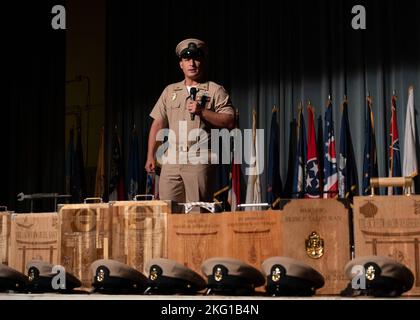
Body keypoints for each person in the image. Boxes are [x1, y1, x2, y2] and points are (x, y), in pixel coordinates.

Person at [145, 38, 235, 205]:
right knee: (168, 210)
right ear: (181, 64)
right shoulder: (170, 91)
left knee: (197, 211)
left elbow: (230, 121)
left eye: (196, 59)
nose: (192, 63)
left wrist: (202, 111)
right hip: (171, 158)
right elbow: (158, 123)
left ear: (203, 61)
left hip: (199, 157)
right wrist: (151, 154)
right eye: (186, 59)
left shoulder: (215, 90)